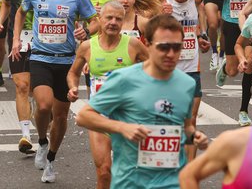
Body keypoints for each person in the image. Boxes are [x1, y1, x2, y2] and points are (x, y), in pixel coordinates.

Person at [76, 14, 209, 188]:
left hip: (172, 182)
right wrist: (122, 127)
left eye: (176, 48)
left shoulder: (187, 84)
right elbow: (83, 117)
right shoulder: (124, 79)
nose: (171, 54)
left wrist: (195, 136)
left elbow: (185, 127)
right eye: (164, 47)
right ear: (148, 45)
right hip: (131, 182)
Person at [11, 0, 97, 183]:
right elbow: (20, 13)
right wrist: (16, 39)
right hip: (40, 57)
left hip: (67, 61)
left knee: (60, 117)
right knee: (43, 104)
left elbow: (95, 21)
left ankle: (50, 158)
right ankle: (41, 140)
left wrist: (86, 30)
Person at [66, 1, 148, 189]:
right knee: (104, 171)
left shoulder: (133, 45)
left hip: (128, 118)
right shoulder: (87, 47)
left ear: (122, 22)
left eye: (118, 19)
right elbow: (73, 73)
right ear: (100, 20)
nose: (113, 22)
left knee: (130, 173)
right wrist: (72, 88)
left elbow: (155, 69)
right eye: (109, 18)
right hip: (99, 118)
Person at [154, 0, 210, 159]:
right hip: (165, 71)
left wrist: (200, 37)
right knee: (164, 120)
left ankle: (188, 172)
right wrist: (159, 15)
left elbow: (195, 22)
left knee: (190, 121)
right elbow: (144, 28)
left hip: (191, 70)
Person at [0, 0, 47, 153]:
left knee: (36, 89)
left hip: (43, 39)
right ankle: (25, 136)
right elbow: (6, 4)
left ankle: (39, 116)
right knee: (22, 86)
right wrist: (0, 22)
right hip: (18, 39)